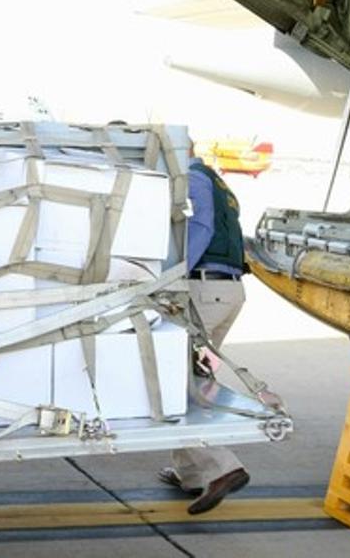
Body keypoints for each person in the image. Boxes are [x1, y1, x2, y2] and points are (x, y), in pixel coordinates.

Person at [157, 149, 250, 515]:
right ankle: (192, 473)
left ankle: (224, 467)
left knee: (171, 382)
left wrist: (172, 271)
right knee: (189, 377)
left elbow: (202, 226)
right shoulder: (216, 179)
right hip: (227, 289)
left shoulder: (193, 178)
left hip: (205, 288)